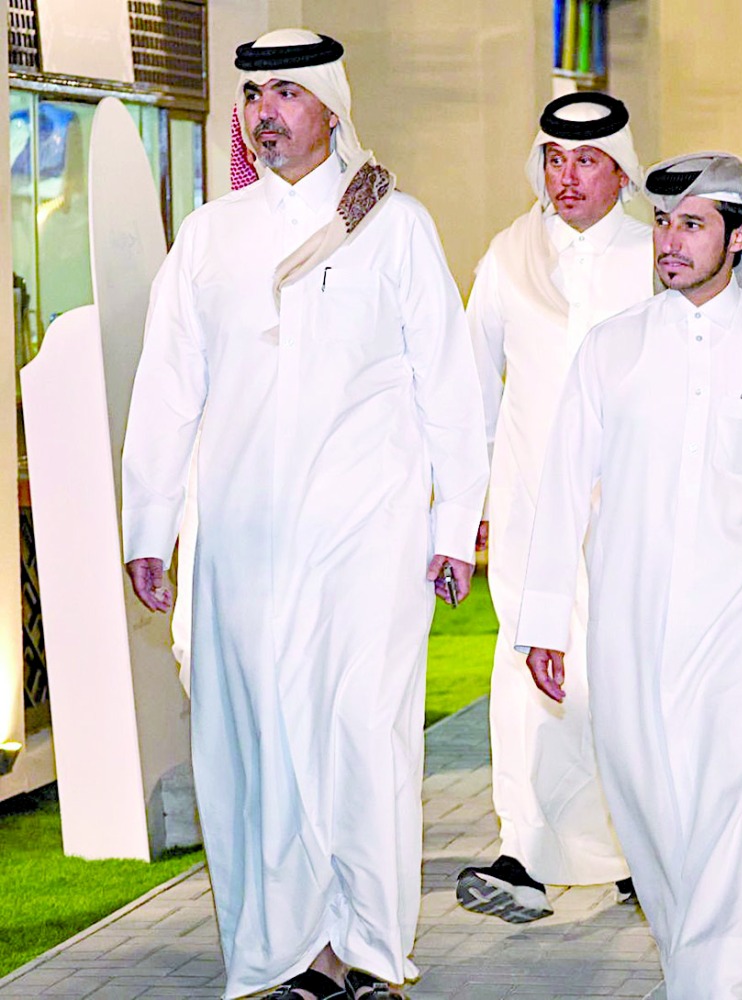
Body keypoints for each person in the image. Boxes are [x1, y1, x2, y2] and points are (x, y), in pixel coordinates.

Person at [121, 29, 488, 1000]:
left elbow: (448, 384)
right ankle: (287, 955)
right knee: (257, 741)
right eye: (253, 95)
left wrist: (455, 525)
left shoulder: (393, 225)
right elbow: (168, 389)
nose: (265, 112)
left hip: (367, 534)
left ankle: (366, 948)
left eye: (286, 92)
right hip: (241, 539)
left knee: (362, 732)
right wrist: (148, 527)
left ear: (331, 104)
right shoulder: (210, 235)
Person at [515, 151, 742, 998]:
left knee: (736, 812)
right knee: (652, 814)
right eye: (664, 223)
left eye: (692, 225)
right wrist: (542, 622)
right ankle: (696, 973)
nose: (669, 241)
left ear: (739, 238)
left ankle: (714, 985)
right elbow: (559, 490)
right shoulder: (613, 349)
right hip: (631, 626)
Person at [456, 92, 654, 923]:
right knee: (527, 665)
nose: (566, 177)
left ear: (621, 171)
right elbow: (470, 384)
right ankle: (527, 850)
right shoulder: (509, 254)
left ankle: (639, 851)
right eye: (553, 159)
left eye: (586, 161)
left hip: (630, 503)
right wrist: (463, 503)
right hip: (531, 501)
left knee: (622, 669)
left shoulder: (657, 254)